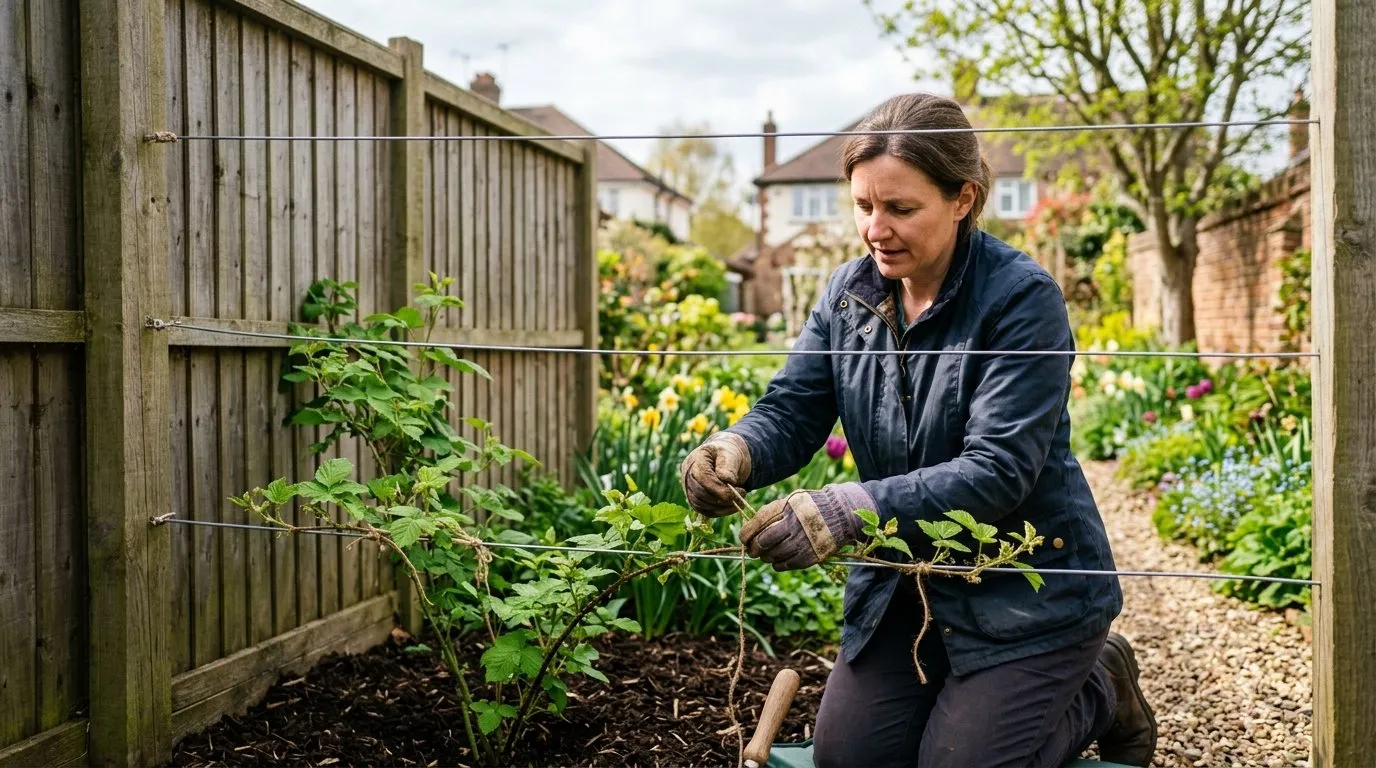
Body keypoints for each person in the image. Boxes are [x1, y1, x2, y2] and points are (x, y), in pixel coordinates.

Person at [679, 93, 1158, 768]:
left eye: (901, 208)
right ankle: (975, 704)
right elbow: (792, 407)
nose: (876, 228)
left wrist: (849, 509)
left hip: (1025, 591)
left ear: (963, 198)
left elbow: (998, 469)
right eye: (863, 205)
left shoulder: (1021, 299)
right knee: (848, 760)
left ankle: (1101, 687)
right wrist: (736, 449)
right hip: (904, 586)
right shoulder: (850, 297)